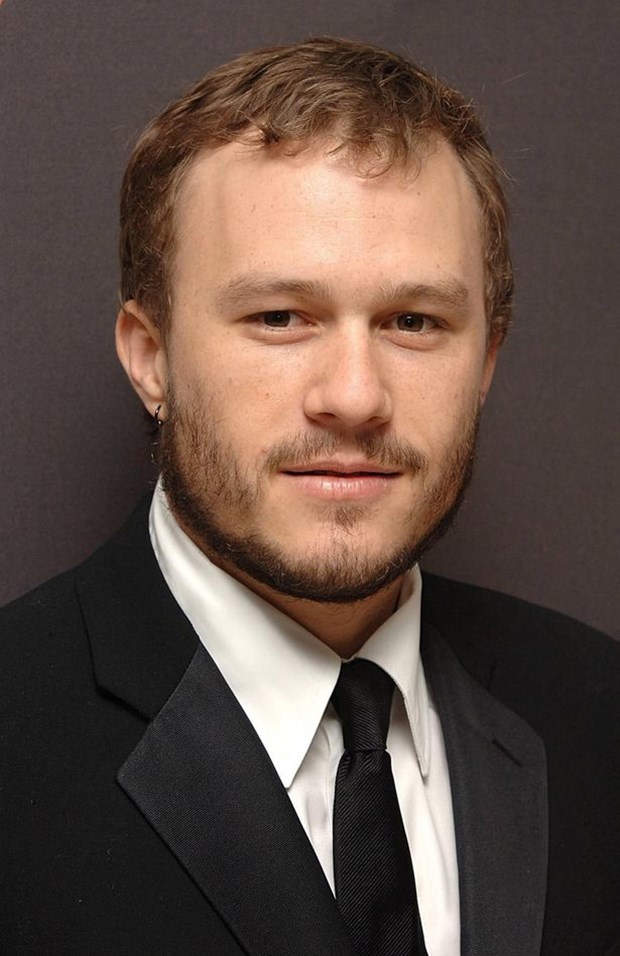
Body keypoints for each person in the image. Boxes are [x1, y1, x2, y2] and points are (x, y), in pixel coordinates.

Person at [1, 36, 618, 956]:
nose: (355, 396)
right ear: (151, 358)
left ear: (486, 362)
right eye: (280, 317)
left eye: (414, 321)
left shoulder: (598, 711)